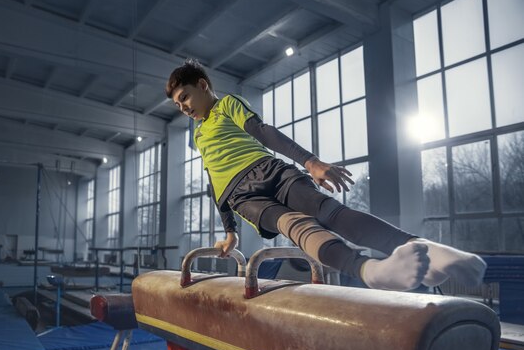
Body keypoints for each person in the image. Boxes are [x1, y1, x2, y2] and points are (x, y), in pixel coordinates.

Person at [165, 58, 486, 291]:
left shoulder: (227, 106)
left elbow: (263, 132)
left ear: (203, 86)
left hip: (269, 169)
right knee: (295, 225)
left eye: (185, 97)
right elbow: (213, 181)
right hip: (241, 196)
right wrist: (230, 230)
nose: (184, 107)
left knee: (329, 211)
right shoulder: (198, 135)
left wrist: (310, 162)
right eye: (178, 104)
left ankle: (432, 252)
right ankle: (371, 271)